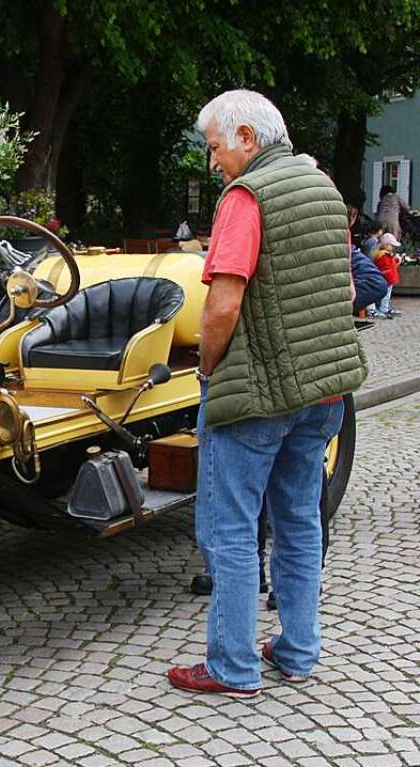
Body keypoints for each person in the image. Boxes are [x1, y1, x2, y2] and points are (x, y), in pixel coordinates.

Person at [167, 90, 367, 698]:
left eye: (215, 146)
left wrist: (206, 368)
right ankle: (299, 650)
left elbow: (223, 303)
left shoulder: (246, 197)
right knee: (300, 520)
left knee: (228, 529)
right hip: (324, 389)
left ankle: (231, 666)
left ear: (247, 137)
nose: (214, 161)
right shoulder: (323, 189)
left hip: (258, 394)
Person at [371, 232, 402, 317]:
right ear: (386, 245)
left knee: (385, 295)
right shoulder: (384, 255)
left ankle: (383, 307)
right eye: (391, 245)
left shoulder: (382, 254)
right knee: (386, 296)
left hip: (387, 279)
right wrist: (396, 261)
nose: (393, 247)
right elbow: (388, 268)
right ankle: (383, 308)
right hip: (388, 279)